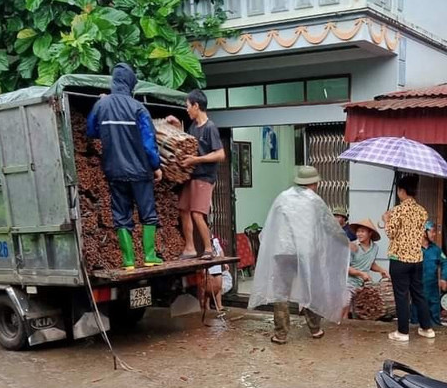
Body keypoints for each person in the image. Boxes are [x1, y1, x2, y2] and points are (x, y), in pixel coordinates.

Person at [248, 166, 350, 344]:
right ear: (314, 183)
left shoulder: (283, 197)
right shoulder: (314, 200)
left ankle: (281, 334)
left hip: (282, 251)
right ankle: (315, 329)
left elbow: (270, 225)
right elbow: (329, 226)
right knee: (310, 289)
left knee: (281, 293)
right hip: (305, 252)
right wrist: (344, 241)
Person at [86, 63, 163, 270]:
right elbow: (148, 143)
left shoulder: (101, 105)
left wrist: (101, 103)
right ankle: (149, 256)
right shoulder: (138, 108)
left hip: (114, 171)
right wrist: (156, 166)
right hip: (140, 172)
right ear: (130, 83)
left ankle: (128, 261)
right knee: (148, 213)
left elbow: (91, 130)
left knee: (121, 214)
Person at [166, 90, 225, 260]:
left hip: (204, 178)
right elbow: (188, 141)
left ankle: (208, 249)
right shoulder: (193, 127)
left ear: (196, 106)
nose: (187, 110)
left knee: (197, 213)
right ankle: (190, 248)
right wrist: (177, 126)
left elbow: (220, 154)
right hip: (191, 177)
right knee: (183, 210)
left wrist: (195, 160)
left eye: (188, 106)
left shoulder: (210, 128)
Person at [382, 175, 435, 342]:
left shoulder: (398, 210)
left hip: (399, 259)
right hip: (417, 258)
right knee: (418, 293)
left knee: (401, 295)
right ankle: (427, 328)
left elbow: (391, 234)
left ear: (402, 191)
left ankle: (402, 332)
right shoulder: (422, 211)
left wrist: (386, 220)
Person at [411, 221, 447, 326]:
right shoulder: (413, 249)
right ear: (424, 233)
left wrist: (443, 278)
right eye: (432, 232)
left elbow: (446, 263)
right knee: (416, 317)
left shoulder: (436, 250)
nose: (434, 234)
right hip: (417, 287)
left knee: (434, 314)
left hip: (432, 288)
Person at [347, 219, 389, 288]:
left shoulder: (375, 248)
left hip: (363, 285)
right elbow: (345, 267)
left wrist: (382, 270)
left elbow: (370, 263)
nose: (359, 234)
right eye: (358, 231)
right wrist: (361, 274)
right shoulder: (352, 246)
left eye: (362, 231)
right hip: (349, 284)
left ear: (370, 233)